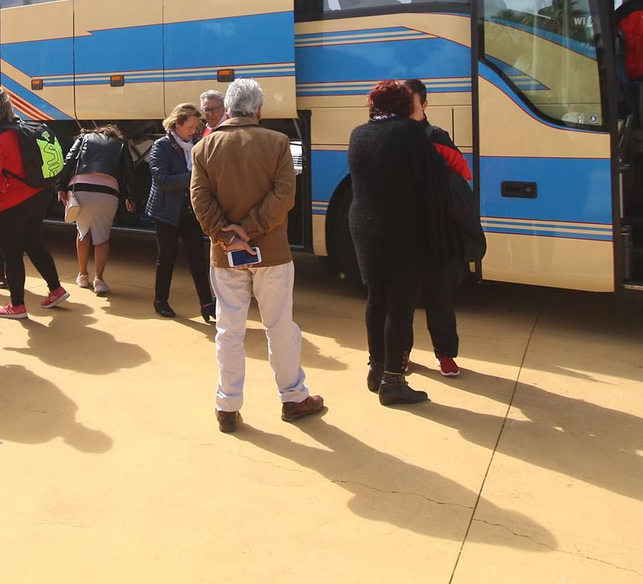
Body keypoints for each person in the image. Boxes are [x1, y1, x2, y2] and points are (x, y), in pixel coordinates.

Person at [190, 78, 324, 433]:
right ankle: (293, 398)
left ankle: (227, 406)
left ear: (229, 109)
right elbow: (284, 197)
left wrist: (227, 234)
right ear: (259, 110)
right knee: (280, 327)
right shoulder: (278, 143)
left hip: (225, 255)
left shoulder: (203, 149)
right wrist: (249, 229)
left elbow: (200, 201)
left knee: (228, 330)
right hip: (272, 253)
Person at [347, 80, 454, 407]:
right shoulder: (409, 134)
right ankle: (394, 381)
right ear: (406, 106)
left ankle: (376, 368)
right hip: (402, 231)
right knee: (400, 306)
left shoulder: (359, 134)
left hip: (365, 228)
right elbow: (436, 176)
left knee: (376, 298)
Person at [0, 85, 69, 319]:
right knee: (34, 243)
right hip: (39, 195)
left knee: (12, 253)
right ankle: (55, 288)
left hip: (10, 203)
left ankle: (17, 306)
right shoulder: (25, 128)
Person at [403, 78, 468, 378]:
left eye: (411, 103)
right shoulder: (392, 135)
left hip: (436, 233)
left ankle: (446, 354)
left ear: (425, 105)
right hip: (404, 232)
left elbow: (461, 176)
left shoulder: (437, 137)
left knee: (439, 297)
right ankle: (401, 354)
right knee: (402, 299)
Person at [146, 104, 214, 321]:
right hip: (166, 211)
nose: (194, 131)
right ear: (177, 124)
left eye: (196, 127)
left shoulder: (196, 144)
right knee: (167, 257)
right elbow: (162, 180)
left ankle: (207, 303)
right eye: (191, 126)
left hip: (190, 210)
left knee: (197, 257)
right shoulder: (161, 146)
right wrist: (194, 176)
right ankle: (160, 300)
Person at [58, 123, 135, 296]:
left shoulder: (84, 138)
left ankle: (83, 275)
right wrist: (131, 197)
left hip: (81, 189)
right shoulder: (120, 144)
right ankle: (99, 280)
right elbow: (130, 172)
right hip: (107, 191)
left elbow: (68, 161)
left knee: (83, 232)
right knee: (102, 237)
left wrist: (60, 187)